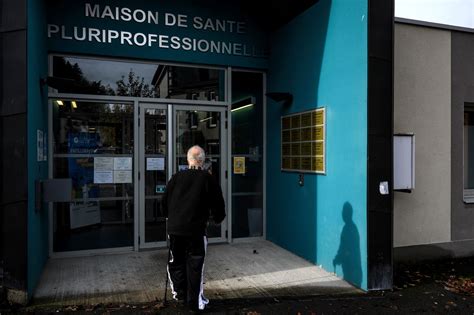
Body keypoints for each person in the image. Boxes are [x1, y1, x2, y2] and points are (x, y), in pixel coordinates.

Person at [162, 145, 226, 311]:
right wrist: (218, 218)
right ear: (203, 161)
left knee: (176, 262)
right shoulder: (207, 178)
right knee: (195, 264)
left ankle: (180, 294)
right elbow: (218, 203)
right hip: (196, 230)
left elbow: (164, 202)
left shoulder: (176, 177)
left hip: (175, 229)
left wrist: (168, 216)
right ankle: (194, 302)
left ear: (188, 159)